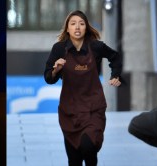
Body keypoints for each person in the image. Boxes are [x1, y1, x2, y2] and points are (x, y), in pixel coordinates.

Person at [44, 10, 122, 166]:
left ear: (86, 27)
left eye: (81, 23)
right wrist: (56, 70)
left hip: (94, 108)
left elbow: (115, 57)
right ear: (67, 28)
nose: (77, 27)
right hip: (70, 111)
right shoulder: (59, 49)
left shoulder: (96, 46)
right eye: (73, 24)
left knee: (88, 147)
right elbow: (48, 78)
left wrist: (115, 75)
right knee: (74, 160)